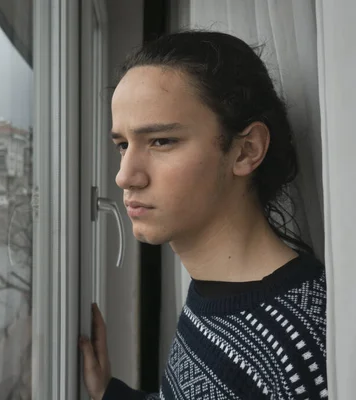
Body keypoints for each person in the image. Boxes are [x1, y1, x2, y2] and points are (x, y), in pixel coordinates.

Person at [79, 30, 328, 400]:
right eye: (122, 145)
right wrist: (110, 393)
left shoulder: (300, 348)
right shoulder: (216, 293)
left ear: (246, 151)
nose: (124, 176)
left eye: (161, 141)